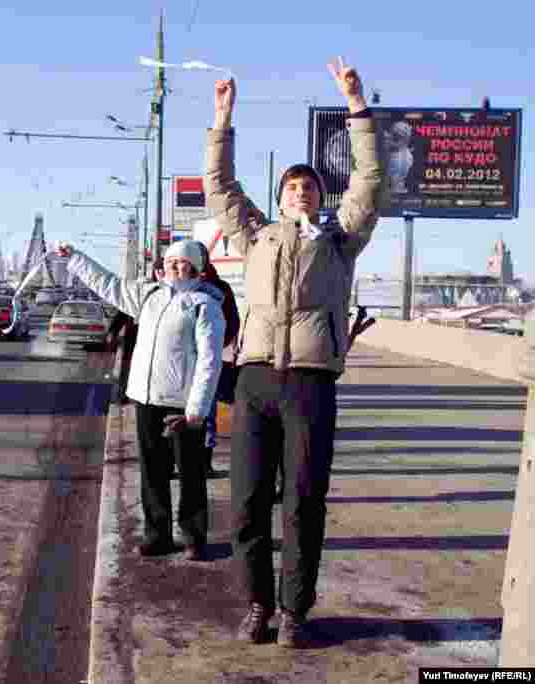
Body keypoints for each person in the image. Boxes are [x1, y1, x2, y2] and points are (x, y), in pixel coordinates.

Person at [204, 59, 385, 648]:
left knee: (304, 502)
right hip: (254, 382)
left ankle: (295, 612)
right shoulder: (255, 236)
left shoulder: (338, 240)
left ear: (319, 198)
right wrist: (223, 118)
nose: (299, 192)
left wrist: (355, 104)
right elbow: (220, 187)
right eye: (291, 187)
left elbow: (370, 180)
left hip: (310, 384)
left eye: (308, 187)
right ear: (280, 198)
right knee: (247, 503)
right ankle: (257, 604)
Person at [55, 240, 225, 561]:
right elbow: (108, 284)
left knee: (190, 472)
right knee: (152, 470)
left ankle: (193, 536)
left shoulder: (205, 305)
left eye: (183, 262)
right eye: (171, 261)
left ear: (197, 269)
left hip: (183, 404)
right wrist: (74, 258)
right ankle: (157, 535)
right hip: (147, 398)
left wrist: (198, 408)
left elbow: (209, 361)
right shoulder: (149, 296)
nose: (175, 267)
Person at [192, 242, 241, 479]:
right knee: (198, 411)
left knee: (206, 411)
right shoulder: (179, 284)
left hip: (207, 359)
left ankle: (202, 464)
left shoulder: (219, 288)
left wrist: (217, 343)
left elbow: (233, 322)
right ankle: (194, 463)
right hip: (186, 359)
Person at [107, 257, 164, 404]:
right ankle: (122, 395)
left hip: (149, 340)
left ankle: (137, 396)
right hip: (132, 339)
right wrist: (113, 331)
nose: (161, 273)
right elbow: (121, 314)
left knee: (144, 369)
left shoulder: (167, 293)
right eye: (158, 270)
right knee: (127, 368)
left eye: (163, 270)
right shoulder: (140, 294)